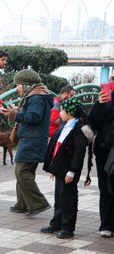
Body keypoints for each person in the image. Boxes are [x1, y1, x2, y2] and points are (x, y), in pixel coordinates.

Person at [41, 97, 89, 239]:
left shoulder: (78, 129)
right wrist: (53, 169)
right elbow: (57, 148)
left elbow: (78, 153)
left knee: (68, 198)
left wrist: (72, 171)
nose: (60, 112)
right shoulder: (65, 125)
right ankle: (56, 223)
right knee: (59, 197)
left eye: (62, 110)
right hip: (60, 168)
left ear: (71, 112)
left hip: (69, 170)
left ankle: (67, 227)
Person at [8, 69, 53, 217]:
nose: (17, 88)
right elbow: (31, 113)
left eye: (19, 85)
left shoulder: (36, 98)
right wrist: (16, 111)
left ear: (28, 85)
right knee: (26, 171)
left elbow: (34, 117)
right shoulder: (37, 95)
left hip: (32, 139)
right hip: (33, 138)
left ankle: (38, 203)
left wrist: (14, 115)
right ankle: (23, 203)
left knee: (21, 171)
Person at [88, 80, 114, 238]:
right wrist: (99, 103)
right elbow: (94, 122)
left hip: (106, 147)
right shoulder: (108, 98)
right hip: (105, 149)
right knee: (105, 188)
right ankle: (106, 224)